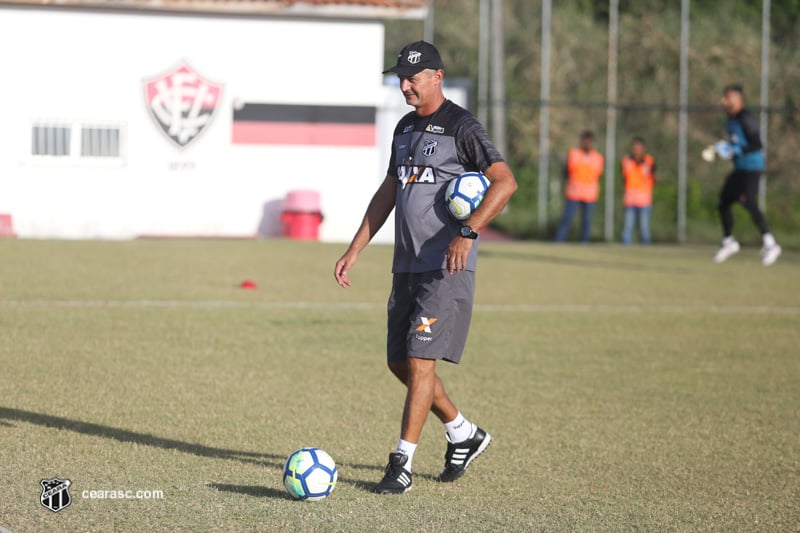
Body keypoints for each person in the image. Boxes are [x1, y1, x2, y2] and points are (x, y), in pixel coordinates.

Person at [334, 41, 517, 495]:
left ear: (437, 75)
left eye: (412, 77)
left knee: (419, 362)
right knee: (400, 362)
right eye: (400, 78)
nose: (404, 85)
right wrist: (356, 247)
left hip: (445, 267)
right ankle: (462, 431)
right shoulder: (402, 128)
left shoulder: (462, 126)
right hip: (406, 265)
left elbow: (505, 181)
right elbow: (389, 190)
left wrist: (469, 230)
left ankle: (401, 464)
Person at [713, 84, 781, 266]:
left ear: (737, 99)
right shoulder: (730, 119)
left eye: (727, 97)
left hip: (752, 168)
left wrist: (736, 149)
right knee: (723, 202)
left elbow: (757, 143)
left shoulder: (745, 117)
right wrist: (724, 148)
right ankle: (729, 242)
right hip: (740, 169)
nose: (723, 101)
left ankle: (771, 244)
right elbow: (734, 143)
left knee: (748, 200)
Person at [554, 131, 605, 243]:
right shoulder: (574, 154)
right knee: (566, 220)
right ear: (582, 141)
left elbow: (599, 175)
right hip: (574, 193)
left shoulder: (598, 157)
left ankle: (584, 243)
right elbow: (566, 171)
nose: (587, 143)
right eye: (585, 141)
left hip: (590, 195)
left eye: (589, 141)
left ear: (592, 142)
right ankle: (558, 242)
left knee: (586, 222)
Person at [621, 137, 656, 245]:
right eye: (634, 148)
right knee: (628, 226)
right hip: (630, 199)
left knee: (644, 227)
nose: (636, 150)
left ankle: (645, 248)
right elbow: (624, 178)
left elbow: (655, 177)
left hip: (644, 200)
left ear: (643, 149)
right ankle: (626, 248)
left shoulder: (649, 161)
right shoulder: (626, 161)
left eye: (639, 148)